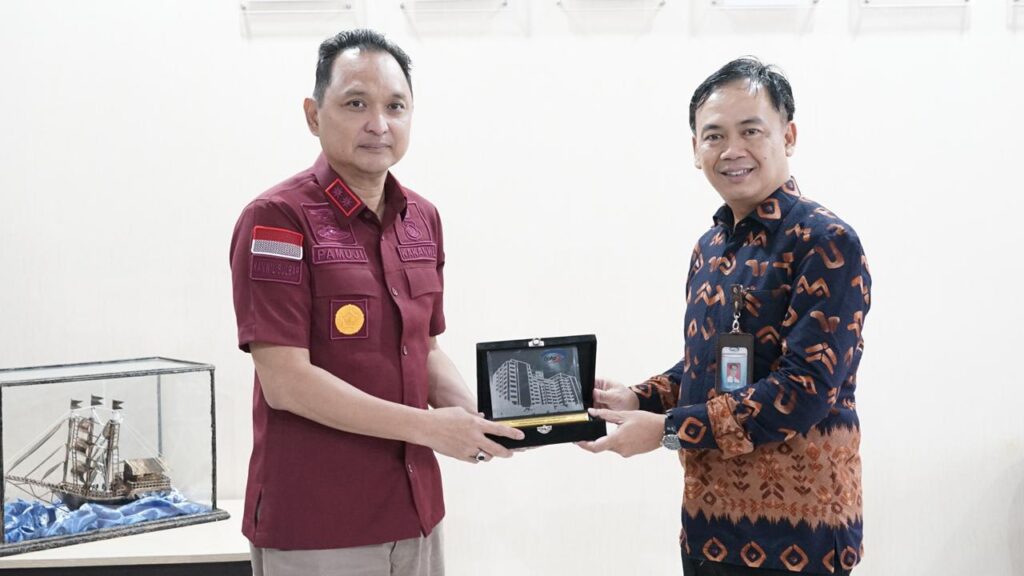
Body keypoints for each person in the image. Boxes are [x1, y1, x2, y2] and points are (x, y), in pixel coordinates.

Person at [229, 29, 523, 576]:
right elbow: (285, 381)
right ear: (313, 115)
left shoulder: (422, 218)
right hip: (319, 523)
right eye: (356, 104)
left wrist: (480, 416)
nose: (379, 124)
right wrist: (431, 429)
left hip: (416, 514)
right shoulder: (277, 220)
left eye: (395, 106)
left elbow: (423, 348)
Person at [579, 57, 871, 576]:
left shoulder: (826, 242)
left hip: (797, 542)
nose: (732, 150)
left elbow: (803, 391)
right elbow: (714, 369)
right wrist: (639, 398)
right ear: (696, 149)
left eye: (750, 130)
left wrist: (666, 430)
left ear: (788, 136)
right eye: (714, 136)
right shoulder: (710, 248)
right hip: (708, 529)